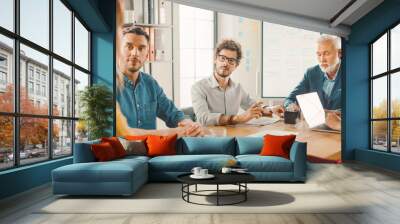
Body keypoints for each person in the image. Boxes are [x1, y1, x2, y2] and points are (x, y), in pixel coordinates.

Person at [116, 26, 204, 137]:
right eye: (129, 46)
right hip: (122, 153)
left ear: (147, 55)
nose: (135, 53)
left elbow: (173, 114)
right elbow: (122, 133)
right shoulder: (108, 84)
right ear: (118, 51)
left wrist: (191, 126)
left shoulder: (150, 83)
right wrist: (170, 133)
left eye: (141, 48)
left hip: (153, 152)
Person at [191, 39, 283, 126]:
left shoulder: (237, 88)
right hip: (208, 138)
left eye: (231, 60)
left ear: (236, 65)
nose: (225, 63)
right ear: (215, 59)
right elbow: (203, 118)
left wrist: (270, 109)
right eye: (222, 58)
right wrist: (239, 118)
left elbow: (251, 105)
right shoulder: (198, 87)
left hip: (232, 136)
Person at [284, 35, 342, 131]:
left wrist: (331, 113)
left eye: (326, 53)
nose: (322, 59)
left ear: (339, 53)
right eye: (319, 54)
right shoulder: (311, 73)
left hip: (340, 132)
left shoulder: (351, 73)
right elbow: (290, 99)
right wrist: (291, 106)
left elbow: (357, 109)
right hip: (315, 131)